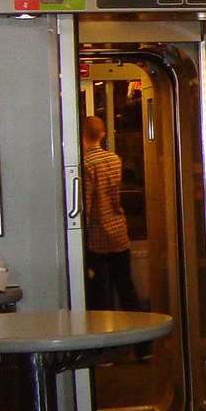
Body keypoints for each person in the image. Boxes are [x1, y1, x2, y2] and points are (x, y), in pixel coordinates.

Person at [80, 114, 140, 311]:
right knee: (125, 284)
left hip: (97, 236)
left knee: (98, 289)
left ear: (82, 135)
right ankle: (137, 323)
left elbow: (87, 202)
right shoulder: (114, 159)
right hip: (118, 230)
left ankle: (103, 328)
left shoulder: (86, 163)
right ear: (103, 135)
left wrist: (81, 234)